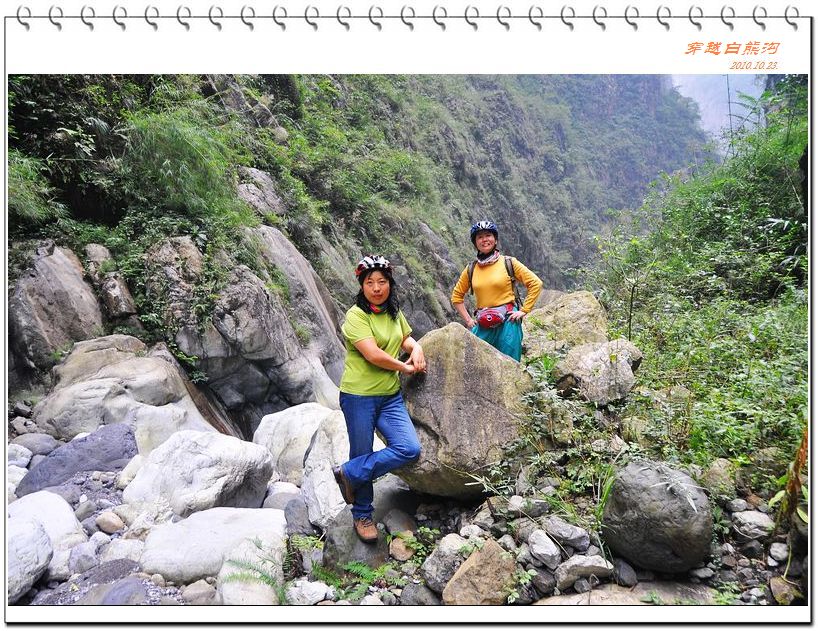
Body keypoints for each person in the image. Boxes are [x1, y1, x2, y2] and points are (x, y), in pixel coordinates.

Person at [332, 255, 426, 543]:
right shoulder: (356, 316)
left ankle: (349, 473)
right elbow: (373, 354)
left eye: (382, 282)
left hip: (389, 397)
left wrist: (416, 347)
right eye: (370, 282)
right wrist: (404, 367)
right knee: (362, 451)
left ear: (390, 284)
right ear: (362, 286)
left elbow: (404, 338)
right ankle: (362, 514)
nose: (376, 288)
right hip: (358, 396)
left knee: (409, 448)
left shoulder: (393, 312)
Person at [451, 220, 543, 361]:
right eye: (480, 237)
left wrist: (524, 310)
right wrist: (468, 320)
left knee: (510, 363)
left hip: (508, 322)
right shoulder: (471, 269)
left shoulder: (509, 262)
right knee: (476, 363)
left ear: (495, 240)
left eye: (488, 235)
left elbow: (535, 283)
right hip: (483, 323)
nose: (484, 239)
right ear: (475, 243)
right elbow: (456, 297)